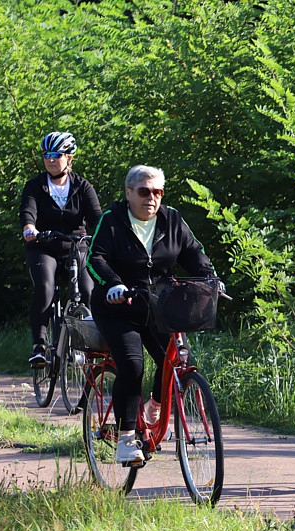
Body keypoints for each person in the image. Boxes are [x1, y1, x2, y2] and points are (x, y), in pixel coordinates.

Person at [87, 165, 219, 465]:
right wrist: (114, 284)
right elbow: (95, 258)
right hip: (118, 307)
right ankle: (125, 439)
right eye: (145, 191)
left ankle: (155, 409)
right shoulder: (112, 220)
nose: (152, 198)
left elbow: (193, 252)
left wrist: (210, 278)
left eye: (158, 192)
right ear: (129, 193)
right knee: (132, 366)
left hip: (160, 303)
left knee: (173, 359)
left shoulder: (172, 219)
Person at [21, 131, 102, 368]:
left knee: (88, 290)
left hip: (76, 246)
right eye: (47, 155)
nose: (50, 159)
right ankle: (39, 345)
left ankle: (87, 345)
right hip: (43, 247)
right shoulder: (35, 186)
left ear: (69, 158)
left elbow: (96, 216)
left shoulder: (82, 186)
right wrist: (29, 227)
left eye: (56, 155)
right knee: (45, 287)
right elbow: (28, 211)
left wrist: (102, 233)